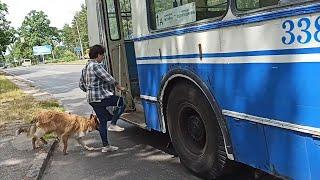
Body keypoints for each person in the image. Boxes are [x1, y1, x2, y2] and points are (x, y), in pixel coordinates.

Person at [79, 44, 126, 152]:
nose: (103, 57)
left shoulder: (85, 67)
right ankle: (113, 124)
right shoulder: (95, 66)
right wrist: (119, 87)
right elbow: (108, 78)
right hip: (100, 97)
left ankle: (106, 146)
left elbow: (81, 85)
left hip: (92, 99)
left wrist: (90, 91)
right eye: (102, 55)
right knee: (121, 102)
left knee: (103, 120)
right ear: (98, 55)